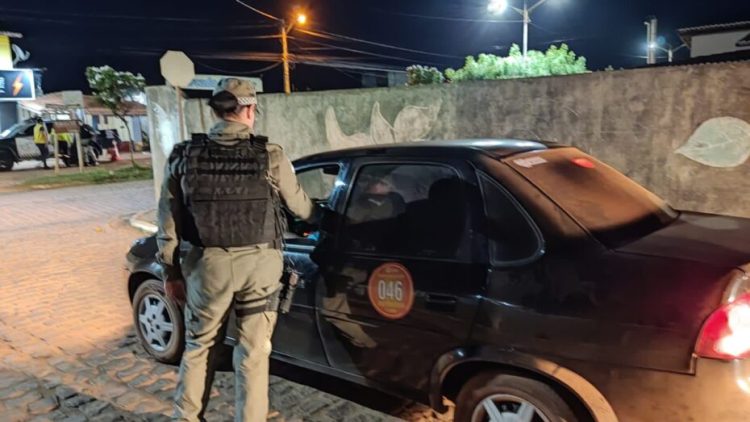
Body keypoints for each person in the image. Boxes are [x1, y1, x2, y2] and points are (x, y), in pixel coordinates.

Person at [156, 78, 317, 422]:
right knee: (252, 355)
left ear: (214, 110)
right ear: (248, 109)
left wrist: (171, 272)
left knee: (199, 348)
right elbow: (301, 209)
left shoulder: (184, 155)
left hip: (207, 269)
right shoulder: (270, 155)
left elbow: (168, 221)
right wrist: (321, 216)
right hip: (260, 268)